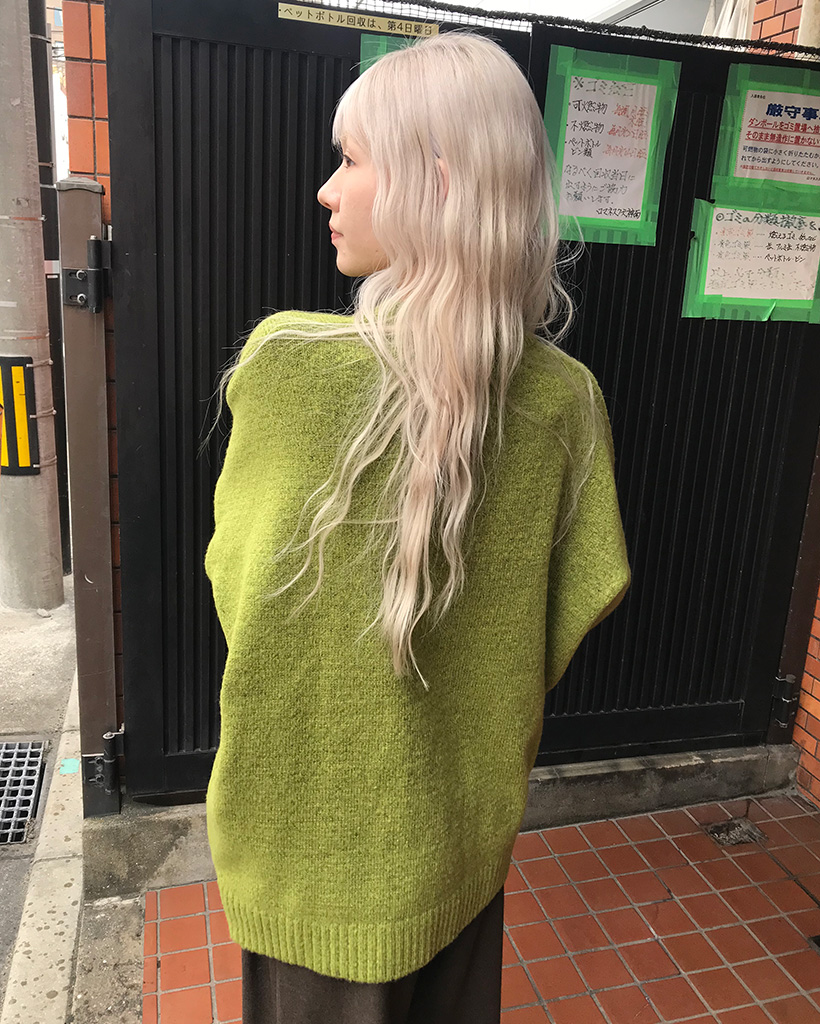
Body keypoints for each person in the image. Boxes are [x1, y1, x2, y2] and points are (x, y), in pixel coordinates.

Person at [203, 28, 630, 1024]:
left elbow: (239, 591)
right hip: (460, 853)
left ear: (434, 183)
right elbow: (577, 604)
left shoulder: (286, 369)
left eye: (351, 160)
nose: (326, 190)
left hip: (306, 865)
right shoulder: (565, 403)